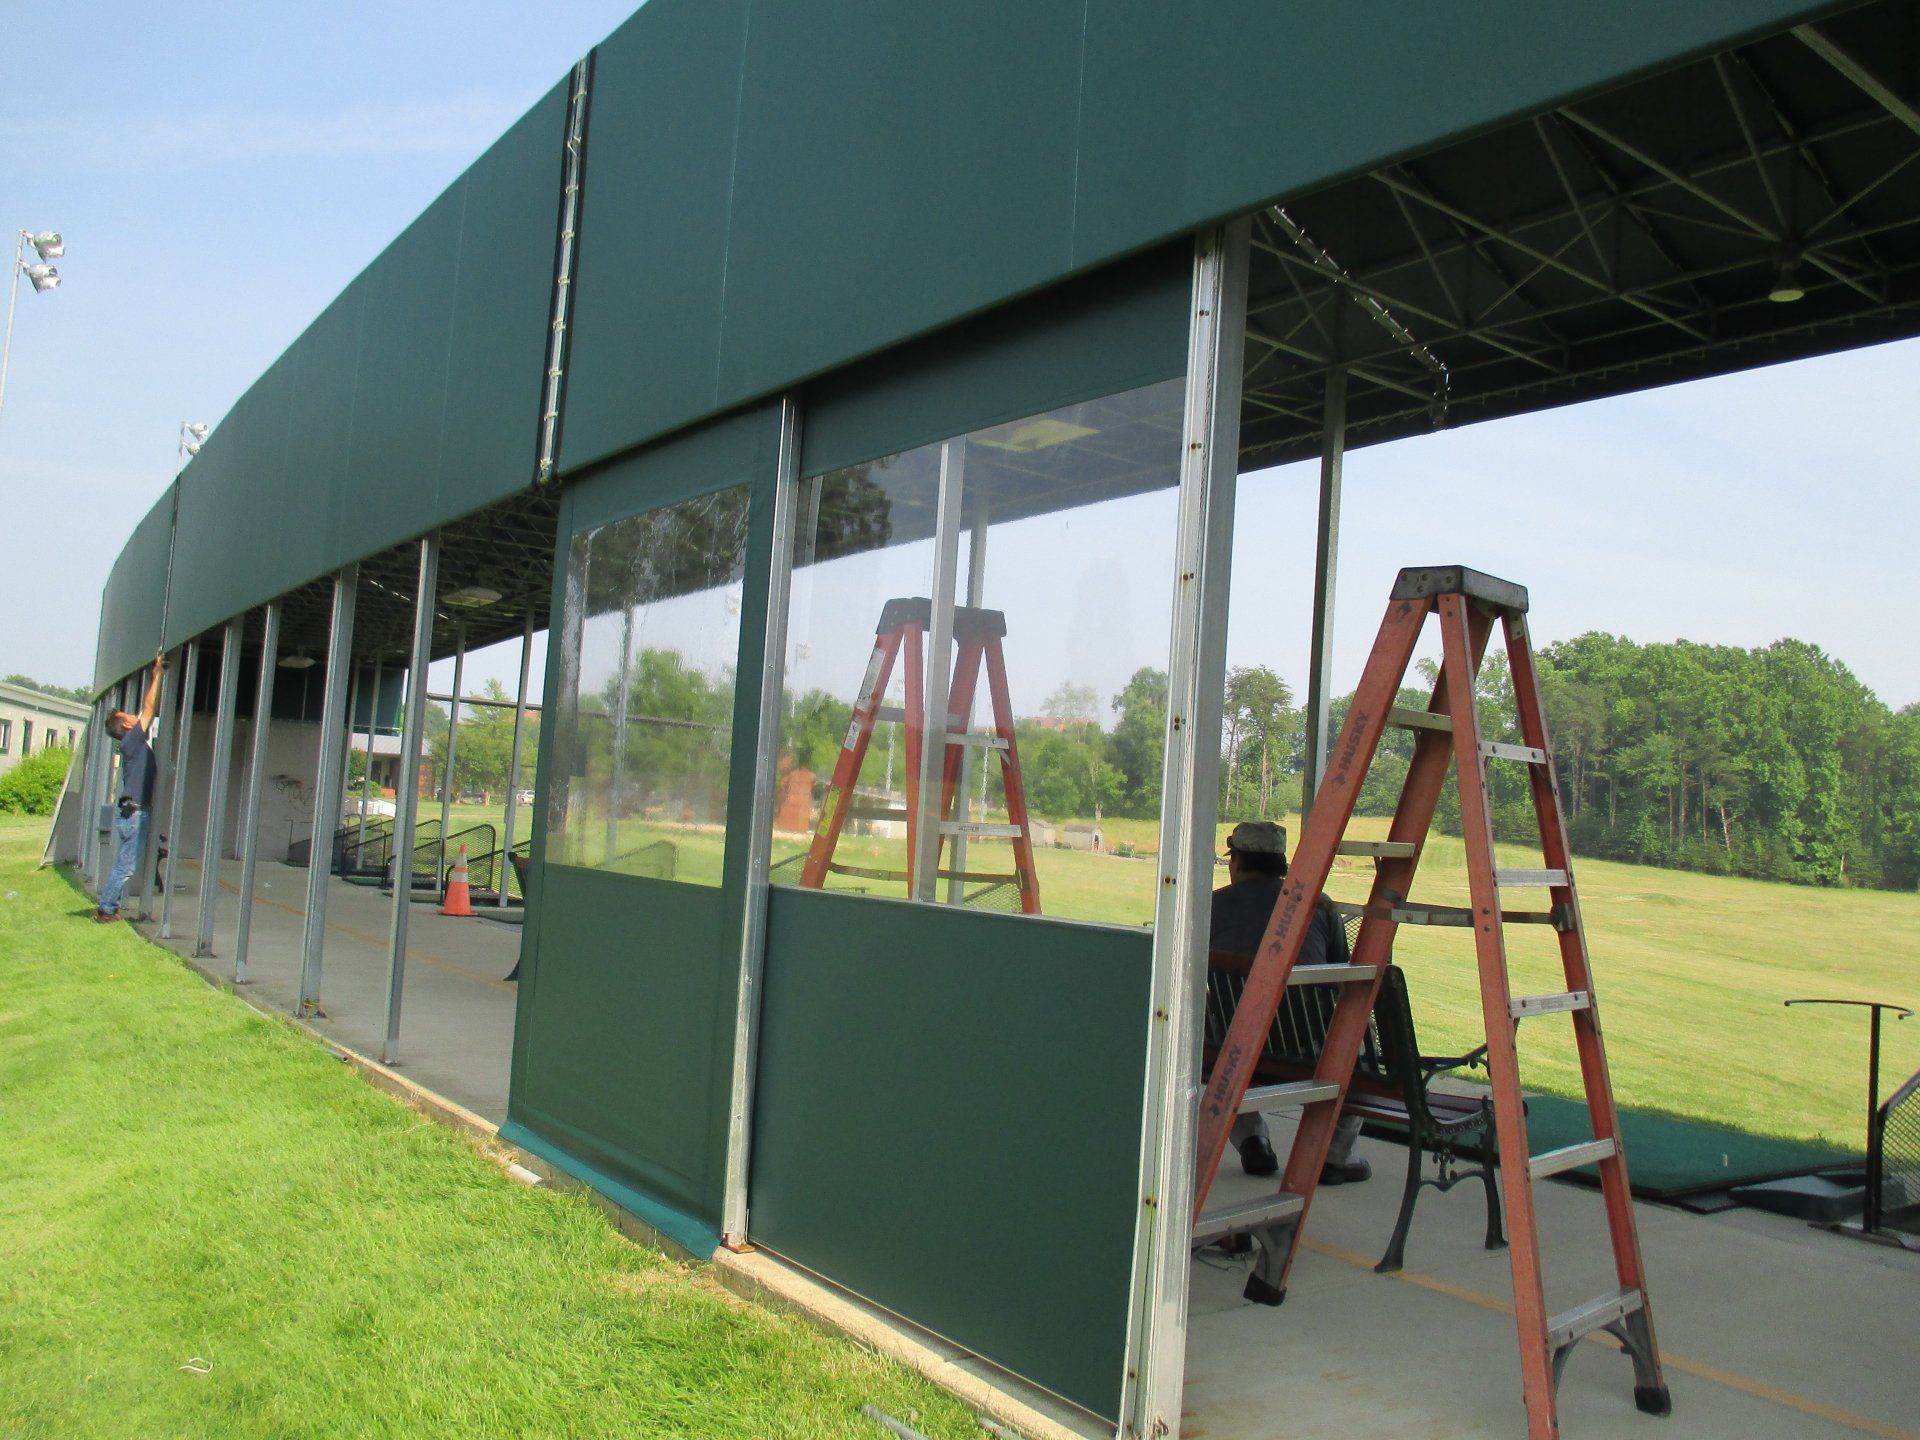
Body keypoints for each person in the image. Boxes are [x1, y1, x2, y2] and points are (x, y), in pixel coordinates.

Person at [1211, 819, 1370, 1185]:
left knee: (1221, 1037)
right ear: (1282, 864)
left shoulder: (1211, 906)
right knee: (1355, 1048)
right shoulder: (1319, 905)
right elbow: (1341, 975)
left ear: (1237, 861)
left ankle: (1253, 1139)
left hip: (1233, 1045)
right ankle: (1335, 1155)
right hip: (1307, 1045)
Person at [93, 651, 166, 923]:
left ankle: (108, 907)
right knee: (125, 867)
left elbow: (147, 712)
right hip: (135, 814)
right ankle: (106, 910)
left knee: (124, 865)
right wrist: (157, 675)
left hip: (131, 812)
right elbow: (149, 709)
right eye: (129, 716)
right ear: (125, 725)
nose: (135, 717)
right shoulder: (132, 741)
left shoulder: (132, 744)